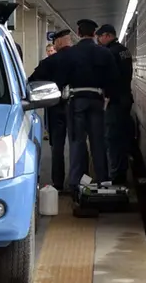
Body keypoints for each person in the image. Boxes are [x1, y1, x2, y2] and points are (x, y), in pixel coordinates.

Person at [55, 19, 120, 197]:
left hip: (76, 101)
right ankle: (104, 182)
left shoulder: (71, 53)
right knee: (99, 143)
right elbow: (114, 78)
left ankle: (77, 184)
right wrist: (107, 97)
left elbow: (61, 78)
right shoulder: (104, 53)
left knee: (77, 142)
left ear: (78, 32)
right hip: (97, 100)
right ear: (94, 34)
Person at [28, 29, 85, 191]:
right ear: (69, 41)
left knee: (57, 147)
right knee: (78, 143)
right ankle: (79, 182)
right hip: (77, 106)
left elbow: (32, 81)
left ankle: (58, 183)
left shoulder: (51, 61)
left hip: (55, 107)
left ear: (59, 42)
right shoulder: (80, 58)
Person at [96, 24, 134, 185]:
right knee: (122, 138)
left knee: (112, 139)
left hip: (115, 101)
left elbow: (111, 78)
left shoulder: (110, 53)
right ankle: (121, 172)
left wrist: (107, 96)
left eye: (99, 37)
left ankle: (116, 176)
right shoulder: (125, 50)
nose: (98, 41)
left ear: (106, 36)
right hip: (126, 99)